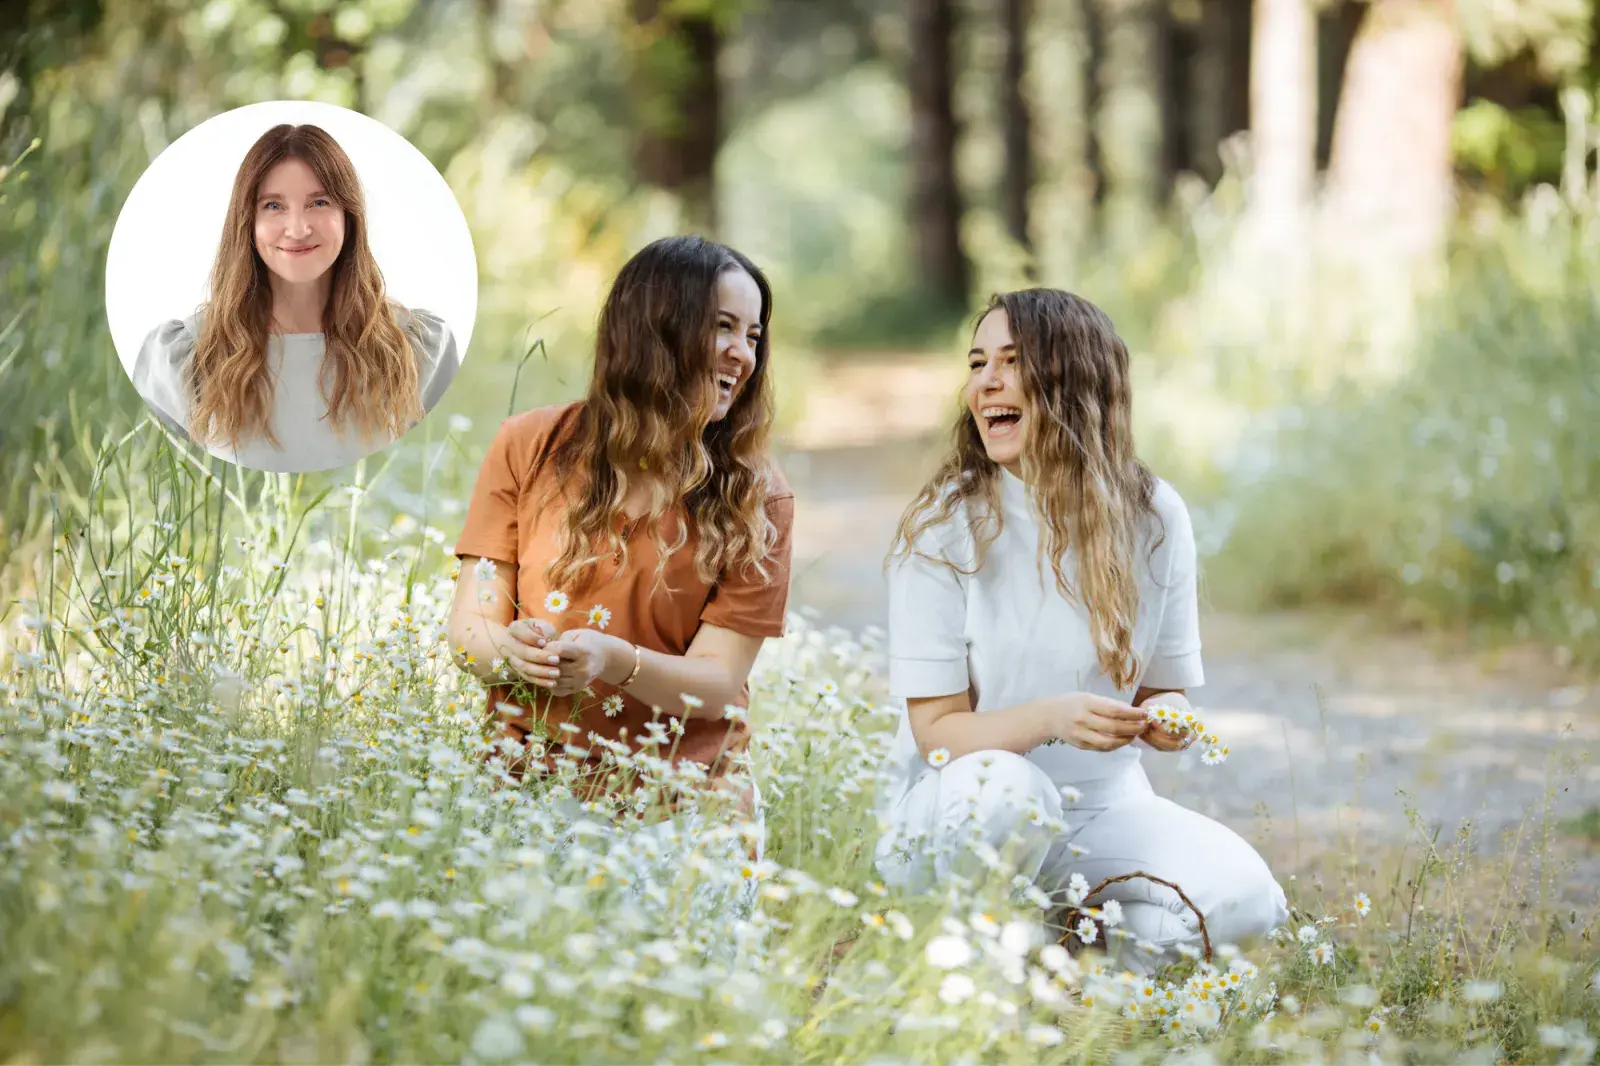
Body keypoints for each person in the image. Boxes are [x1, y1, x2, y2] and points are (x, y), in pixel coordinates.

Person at [874, 288, 1288, 975]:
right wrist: (1052, 719)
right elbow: (938, 735)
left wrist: (1168, 720)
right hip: (961, 811)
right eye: (978, 364)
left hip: (1102, 811)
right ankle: (976, 972)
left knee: (1242, 898)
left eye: (1012, 362)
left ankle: (1069, 975)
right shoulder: (943, 525)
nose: (987, 383)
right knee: (1015, 793)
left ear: (1075, 380)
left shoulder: (1154, 516)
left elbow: (1165, 690)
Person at [448, 235, 793, 839]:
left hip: (684, 794)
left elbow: (716, 684)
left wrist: (615, 661)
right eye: (723, 328)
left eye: (754, 336)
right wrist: (513, 652)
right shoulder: (529, 445)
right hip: (531, 783)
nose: (743, 354)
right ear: (655, 331)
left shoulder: (757, 496)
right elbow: (469, 629)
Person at [130, 123, 459, 473]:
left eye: (319, 202)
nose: (299, 229)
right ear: (247, 221)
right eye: (274, 206)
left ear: (349, 217)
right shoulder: (183, 358)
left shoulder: (418, 350)